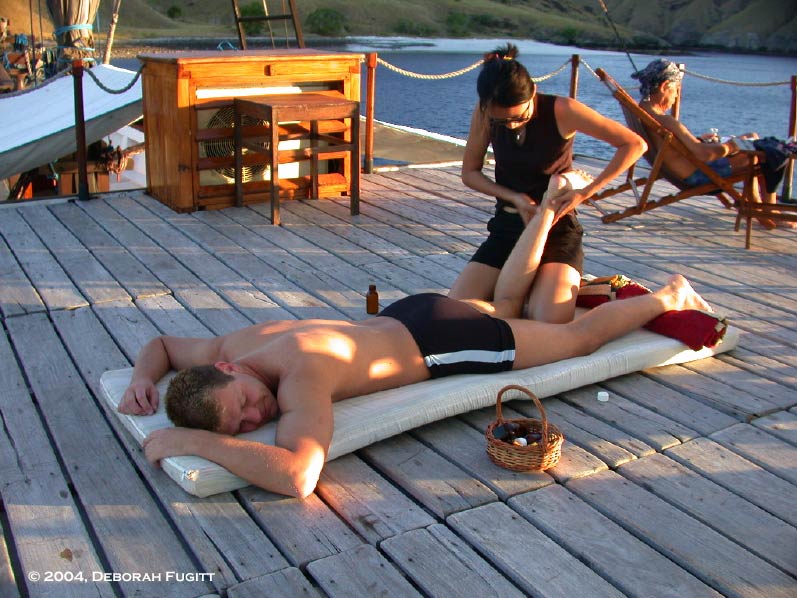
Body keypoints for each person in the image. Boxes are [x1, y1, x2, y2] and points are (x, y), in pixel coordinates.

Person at [118, 179, 712, 499]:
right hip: (413, 312)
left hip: (438, 340)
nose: (256, 418)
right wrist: (147, 377)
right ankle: (549, 231)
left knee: (572, 339)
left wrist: (179, 441)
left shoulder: (303, 381)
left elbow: (297, 476)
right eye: (242, 427)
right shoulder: (239, 345)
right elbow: (165, 346)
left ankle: (668, 296)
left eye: (244, 405)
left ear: (231, 371)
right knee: (507, 308)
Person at [449, 43, 647, 324]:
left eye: (519, 117)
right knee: (455, 312)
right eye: (502, 122)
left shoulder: (562, 110)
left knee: (548, 321)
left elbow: (634, 144)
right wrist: (515, 198)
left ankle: (562, 286)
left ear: (533, 94)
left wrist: (586, 192)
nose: (512, 126)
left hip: (557, 226)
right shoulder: (484, 113)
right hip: (509, 226)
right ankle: (533, 289)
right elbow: (470, 173)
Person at [631, 58, 796, 230]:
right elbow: (703, 154)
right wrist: (733, 145)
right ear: (665, 86)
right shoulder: (666, 120)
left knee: (752, 138)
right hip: (698, 175)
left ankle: (757, 207)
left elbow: (683, 148)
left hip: (686, 167)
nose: (676, 96)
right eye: (675, 90)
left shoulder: (644, 113)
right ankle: (768, 214)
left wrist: (701, 140)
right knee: (763, 155)